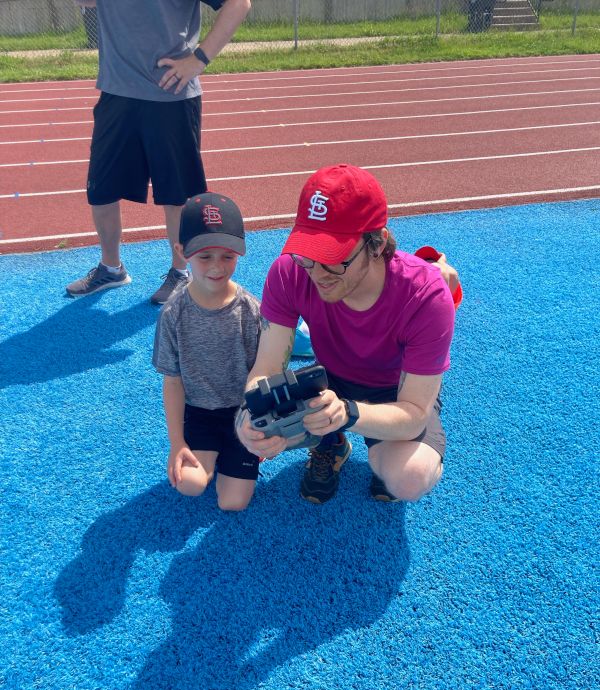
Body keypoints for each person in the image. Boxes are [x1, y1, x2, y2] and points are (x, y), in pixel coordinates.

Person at [236, 163, 460, 505]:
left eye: (334, 258)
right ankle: (332, 441)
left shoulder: (425, 295)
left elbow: (414, 413)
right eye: (308, 254)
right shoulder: (290, 272)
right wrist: (248, 418)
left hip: (396, 392)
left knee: (408, 478)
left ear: (377, 243)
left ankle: (356, 438)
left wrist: (348, 414)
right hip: (328, 381)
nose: (317, 273)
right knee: (252, 426)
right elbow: (265, 369)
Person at [66, 0, 252, 304]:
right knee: (101, 190)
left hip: (171, 94)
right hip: (116, 91)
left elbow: (239, 3)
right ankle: (111, 268)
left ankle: (180, 272)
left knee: (176, 196)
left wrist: (199, 59)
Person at [152, 192, 262, 511]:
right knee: (190, 484)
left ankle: (233, 456)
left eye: (227, 256)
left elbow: (262, 374)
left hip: (243, 413)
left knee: (233, 503)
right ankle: (212, 456)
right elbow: (173, 381)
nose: (216, 267)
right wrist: (177, 443)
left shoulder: (250, 310)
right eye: (205, 256)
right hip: (199, 414)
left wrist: (261, 425)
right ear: (181, 251)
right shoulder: (173, 314)